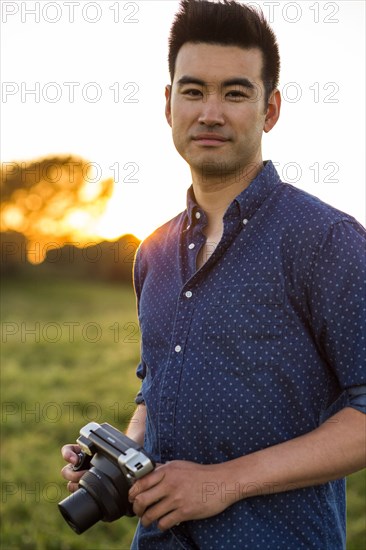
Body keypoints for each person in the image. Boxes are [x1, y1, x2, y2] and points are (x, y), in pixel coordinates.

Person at [61, 1, 366, 548]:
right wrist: (117, 465)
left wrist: (223, 483)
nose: (210, 112)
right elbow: (154, 394)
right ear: (168, 103)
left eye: (235, 92)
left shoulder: (326, 241)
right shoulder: (152, 253)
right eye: (194, 90)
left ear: (270, 109)